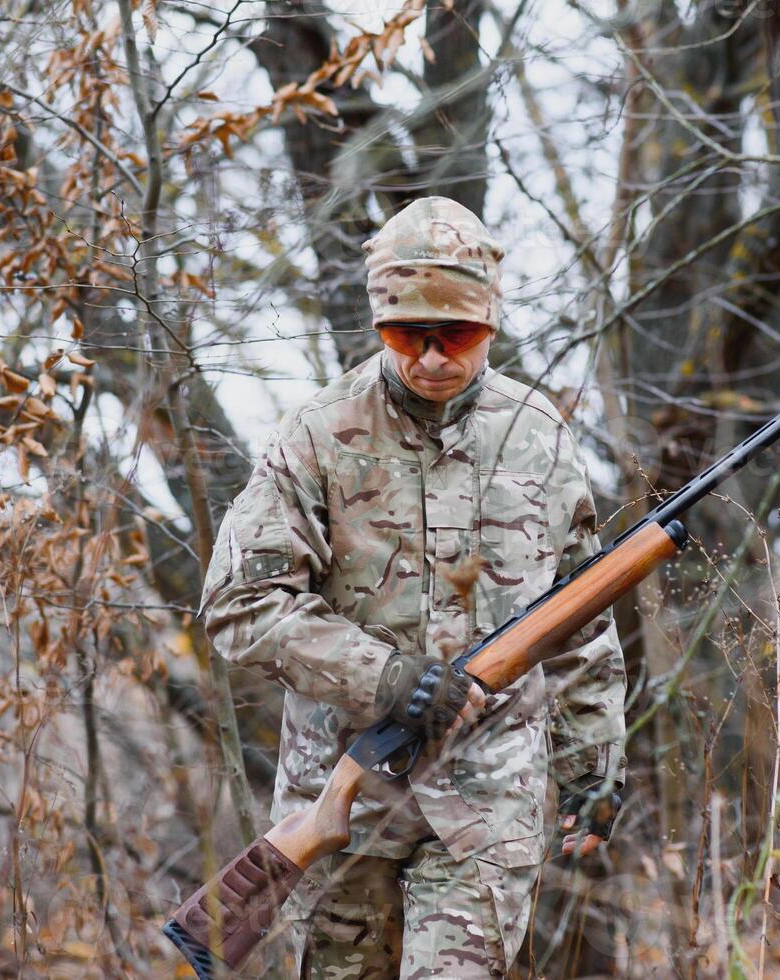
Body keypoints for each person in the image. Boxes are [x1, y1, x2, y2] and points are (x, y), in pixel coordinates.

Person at [200, 196, 627, 978]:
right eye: (407, 335)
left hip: (488, 797)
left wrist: (592, 770)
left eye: (456, 333)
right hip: (345, 790)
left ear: (491, 322)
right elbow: (238, 605)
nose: (432, 357)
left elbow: (581, 619)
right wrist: (386, 678)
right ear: (380, 326)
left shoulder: (539, 435)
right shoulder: (317, 434)